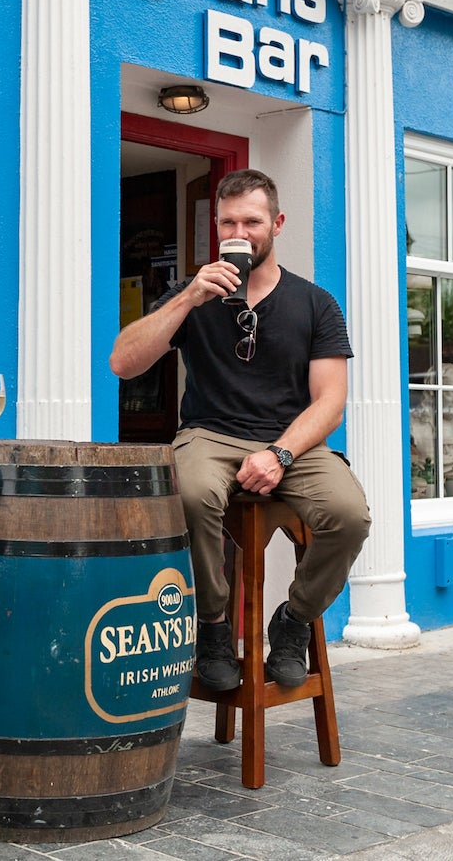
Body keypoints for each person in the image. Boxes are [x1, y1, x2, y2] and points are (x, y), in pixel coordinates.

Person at [108, 168, 371, 692]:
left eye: (251, 221)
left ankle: (293, 621)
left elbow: (331, 403)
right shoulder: (193, 293)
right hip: (210, 433)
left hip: (290, 438)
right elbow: (123, 363)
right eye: (229, 221)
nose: (240, 232)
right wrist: (186, 298)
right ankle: (212, 626)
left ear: (276, 223)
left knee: (348, 516)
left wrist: (279, 454)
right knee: (191, 492)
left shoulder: (315, 303)